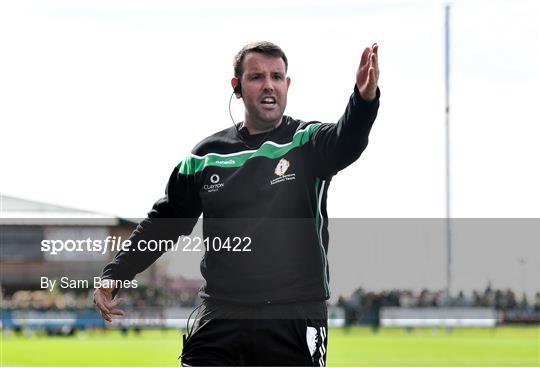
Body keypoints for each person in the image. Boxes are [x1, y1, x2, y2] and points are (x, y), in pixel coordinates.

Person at [94, 41, 380, 366]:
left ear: (287, 86)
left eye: (277, 76)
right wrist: (114, 275)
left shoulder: (307, 142)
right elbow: (165, 221)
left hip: (293, 316)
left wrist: (363, 100)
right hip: (220, 314)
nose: (269, 84)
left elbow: (349, 139)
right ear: (238, 87)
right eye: (257, 76)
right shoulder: (206, 156)